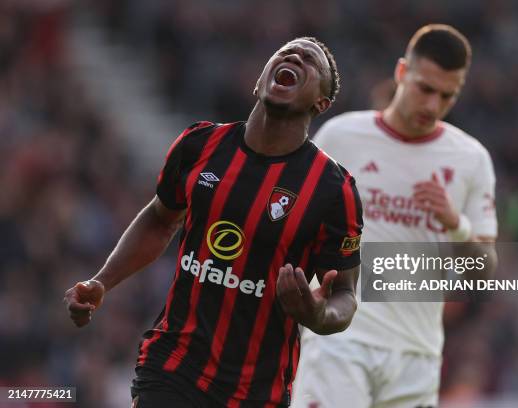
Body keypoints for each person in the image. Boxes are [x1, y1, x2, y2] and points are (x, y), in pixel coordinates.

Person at [63, 37, 363, 408]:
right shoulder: (200, 144)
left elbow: (345, 296)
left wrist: (317, 314)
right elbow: (160, 220)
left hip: (258, 391)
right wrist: (102, 281)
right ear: (259, 81)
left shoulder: (333, 190)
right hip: (172, 367)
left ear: (321, 102)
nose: (294, 56)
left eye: (310, 60)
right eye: (286, 51)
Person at [291, 24, 498, 408]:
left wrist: (456, 225)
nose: (433, 105)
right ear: (402, 72)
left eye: (447, 96)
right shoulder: (340, 137)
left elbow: (481, 273)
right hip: (339, 340)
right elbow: (294, 225)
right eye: (425, 89)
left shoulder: (471, 160)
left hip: (416, 354)